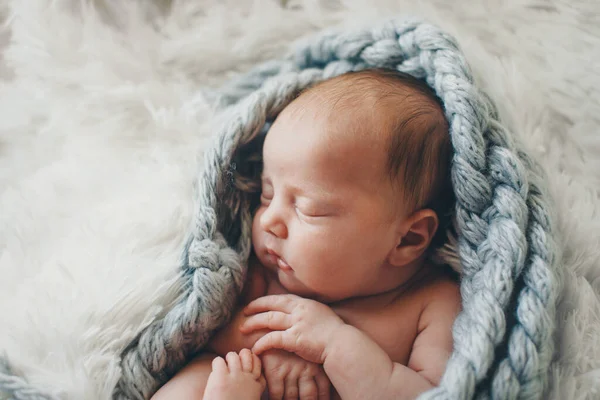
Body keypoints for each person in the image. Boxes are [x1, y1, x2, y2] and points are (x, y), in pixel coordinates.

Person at [152, 68, 461, 400]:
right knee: (199, 378)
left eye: (308, 209)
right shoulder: (265, 276)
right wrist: (278, 349)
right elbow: (209, 332)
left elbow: (434, 393)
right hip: (240, 385)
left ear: (408, 239)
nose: (270, 220)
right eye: (266, 195)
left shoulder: (432, 302)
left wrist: (333, 344)